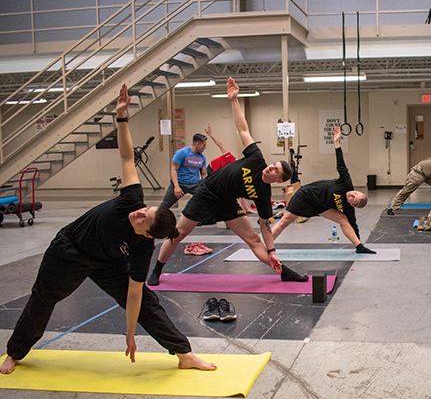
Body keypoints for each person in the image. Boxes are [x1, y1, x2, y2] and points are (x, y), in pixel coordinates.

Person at [1, 84, 216, 375]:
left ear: (148, 234)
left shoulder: (141, 248)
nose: (140, 212)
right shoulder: (131, 199)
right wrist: (122, 118)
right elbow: (128, 158)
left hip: (108, 262)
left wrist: (129, 333)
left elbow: (135, 296)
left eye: (144, 218)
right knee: (43, 297)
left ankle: (184, 353)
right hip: (69, 250)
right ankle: (14, 353)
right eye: (145, 210)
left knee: (150, 305)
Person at [147, 77, 305, 286]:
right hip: (206, 193)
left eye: (275, 169)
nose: (271, 167)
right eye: (273, 164)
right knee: (178, 234)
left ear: (278, 180)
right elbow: (243, 130)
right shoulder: (257, 158)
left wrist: (272, 251)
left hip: (227, 203)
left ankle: (282, 270)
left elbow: (265, 226)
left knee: (254, 240)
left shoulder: (263, 194)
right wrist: (233, 100)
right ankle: (157, 270)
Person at [271, 126, 375, 253]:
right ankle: (267, 245)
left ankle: (359, 247)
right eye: (356, 193)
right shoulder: (346, 183)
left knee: (344, 219)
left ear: (352, 204)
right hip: (306, 196)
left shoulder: (348, 207)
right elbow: (341, 164)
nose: (352, 194)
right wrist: (336, 142)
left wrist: (358, 241)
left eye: (354, 198)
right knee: (284, 222)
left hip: (320, 206)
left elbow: (353, 224)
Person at [204, 122, 256, 214]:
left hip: (224, 172)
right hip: (213, 169)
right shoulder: (230, 158)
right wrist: (211, 135)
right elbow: (220, 144)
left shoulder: (242, 172)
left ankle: (245, 208)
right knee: (218, 191)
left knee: (239, 188)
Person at [160, 131, 208, 208]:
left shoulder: (202, 157)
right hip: (180, 183)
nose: (205, 147)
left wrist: (205, 187)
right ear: (197, 144)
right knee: (164, 206)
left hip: (195, 184)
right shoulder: (181, 153)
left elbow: (204, 173)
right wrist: (176, 186)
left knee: (208, 201)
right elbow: (173, 170)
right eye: (204, 145)